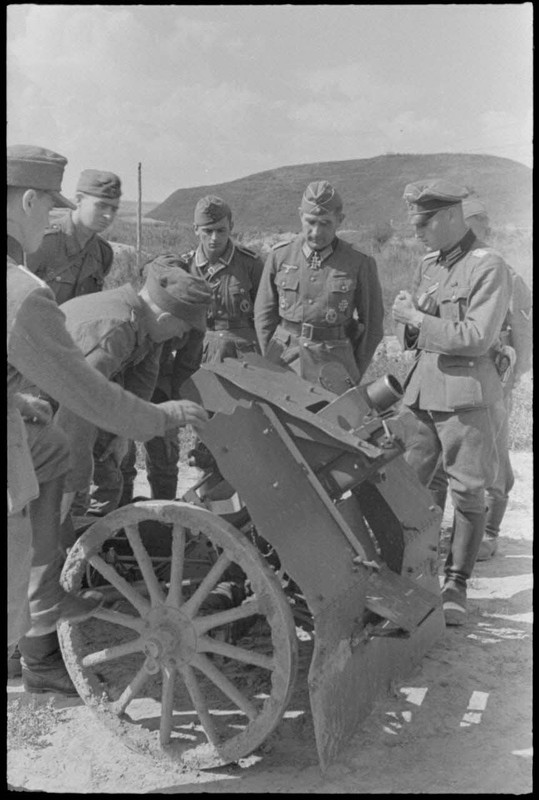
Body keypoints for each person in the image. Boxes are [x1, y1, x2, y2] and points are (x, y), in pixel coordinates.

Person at [7, 144, 208, 694]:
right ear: (29, 201)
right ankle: (39, 633)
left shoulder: (119, 306)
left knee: (49, 459)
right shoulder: (28, 289)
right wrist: (159, 419)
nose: (53, 217)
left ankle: (34, 617)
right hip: (49, 390)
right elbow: (83, 398)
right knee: (52, 484)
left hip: (27, 396)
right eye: (49, 204)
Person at [391, 179, 512, 626]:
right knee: (415, 485)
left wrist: (418, 319)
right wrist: (407, 320)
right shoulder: (429, 263)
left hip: (465, 396)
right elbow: (418, 332)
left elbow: (478, 338)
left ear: (450, 218)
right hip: (423, 391)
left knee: (467, 489)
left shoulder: (488, 266)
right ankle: (416, 575)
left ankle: (456, 583)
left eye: (424, 222)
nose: (417, 231)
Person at [55, 254, 211, 517]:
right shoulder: (115, 329)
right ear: (164, 319)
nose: (183, 336)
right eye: (183, 328)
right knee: (69, 497)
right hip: (39, 405)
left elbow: (139, 390)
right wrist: (70, 487)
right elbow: (75, 413)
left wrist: (120, 436)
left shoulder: (146, 329)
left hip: (69, 404)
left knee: (108, 478)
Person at [428, 196, 533, 560]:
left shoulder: (503, 272)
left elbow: (522, 326)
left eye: (475, 228)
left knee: (493, 456)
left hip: (491, 377)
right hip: (450, 380)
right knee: (448, 461)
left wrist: (515, 375)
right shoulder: (442, 267)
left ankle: (489, 530)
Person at [254, 180, 384, 388]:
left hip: (335, 363)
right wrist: (271, 357)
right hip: (284, 361)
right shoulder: (280, 255)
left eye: (325, 223)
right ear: (300, 216)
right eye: (310, 222)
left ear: (340, 220)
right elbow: (264, 317)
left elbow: (373, 327)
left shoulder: (359, 262)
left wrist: (352, 370)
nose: (316, 232)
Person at [25, 168, 121, 303]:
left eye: (113, 209)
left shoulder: (103, 252)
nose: (108, 215)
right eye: (101, 206)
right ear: (79, 199)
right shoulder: (42, 241)